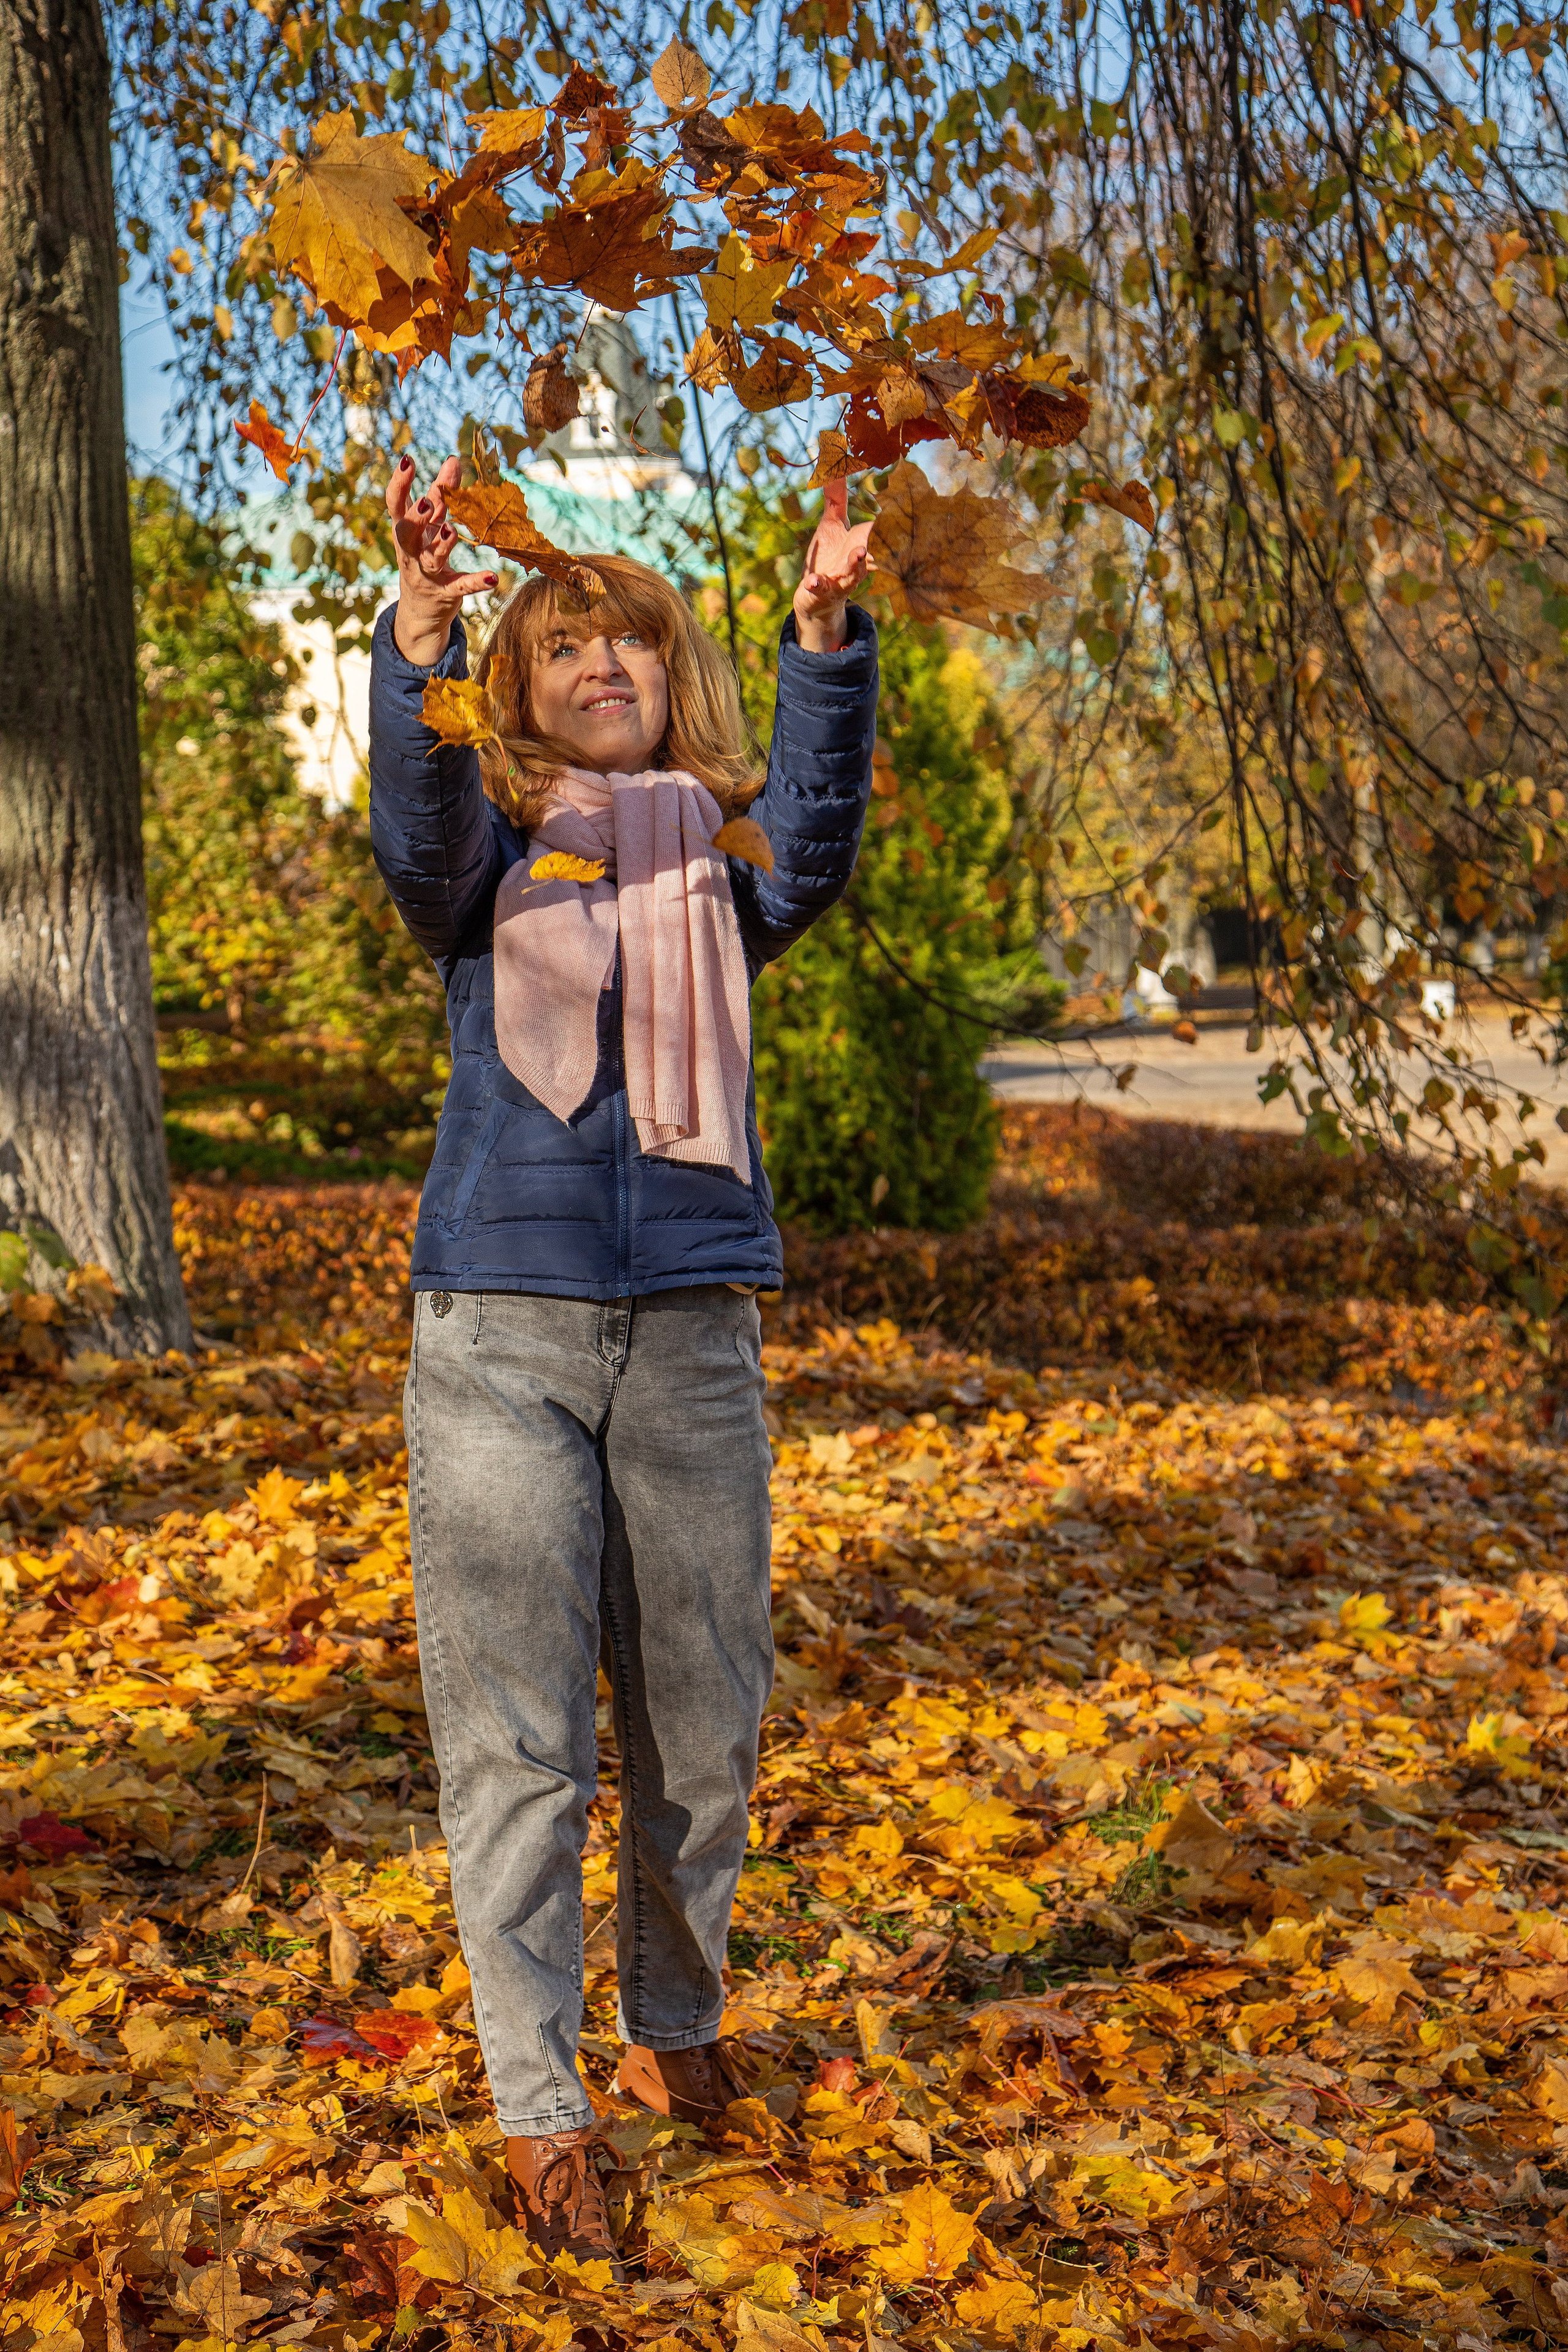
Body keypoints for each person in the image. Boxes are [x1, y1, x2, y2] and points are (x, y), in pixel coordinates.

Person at [368, 453, 878, 2269]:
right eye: (562, 644)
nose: (599, 664)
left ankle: (672, 2034)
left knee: (705, 1723)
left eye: (629, 644)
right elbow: (414, 826)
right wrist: (422, 631)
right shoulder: (488, 847)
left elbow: (814, 837)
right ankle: (540, 2109)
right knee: (516, 1747)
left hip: (691, 1335)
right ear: (519, 686)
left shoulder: (719, 857)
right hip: (498, 1333)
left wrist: (826, 637)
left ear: (675, 675)